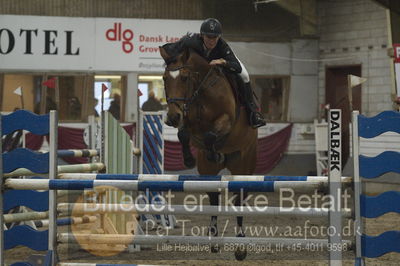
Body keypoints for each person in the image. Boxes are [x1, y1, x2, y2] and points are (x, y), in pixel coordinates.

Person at [161, 18, 266, 168]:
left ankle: (252, 111)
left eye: (215, 37)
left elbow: (236, 66)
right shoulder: (191, 41)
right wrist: (170, 58)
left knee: (245, 75)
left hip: (221, 67)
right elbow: (171, 49)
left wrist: (223, 62)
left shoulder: (222, 46)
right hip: (198, 73)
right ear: (202, 35)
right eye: (209, 37)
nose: (212, 41)